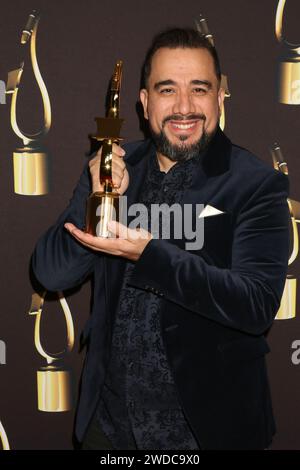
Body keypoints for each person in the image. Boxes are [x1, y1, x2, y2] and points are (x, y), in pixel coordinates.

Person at [31, 27, 290, 450]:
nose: (184, 106)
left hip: (208, 435)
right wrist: (99, 199)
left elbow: (255, 305)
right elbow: (51, 272)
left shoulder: (256, 185)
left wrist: (149, 254)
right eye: (167, 89)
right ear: (145, 102)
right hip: (110, 430)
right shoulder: (113, 166)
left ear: (220, 98)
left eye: (200, 89)